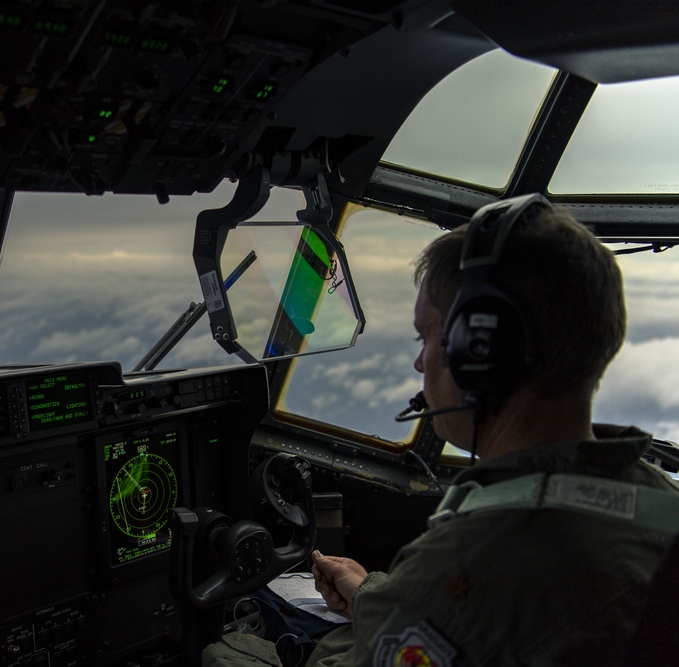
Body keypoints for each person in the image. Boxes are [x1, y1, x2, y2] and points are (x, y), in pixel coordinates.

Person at [204, 196, 679, 666]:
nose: (418, 361)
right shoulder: (656, 501)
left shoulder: (481, 556)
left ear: (482, 352)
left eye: (425, 337)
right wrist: (376, 595)